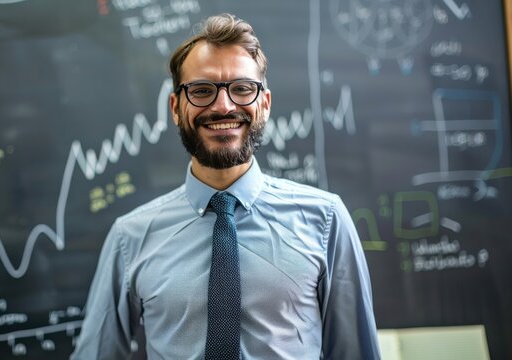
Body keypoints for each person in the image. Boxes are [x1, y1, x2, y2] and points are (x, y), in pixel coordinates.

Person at [72, 13, 380, 360]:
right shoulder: (130, 238)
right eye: (201, 90)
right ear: (176, 107)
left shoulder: (325, 221)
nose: (224, 106)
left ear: (264, 103)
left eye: (242, 88)